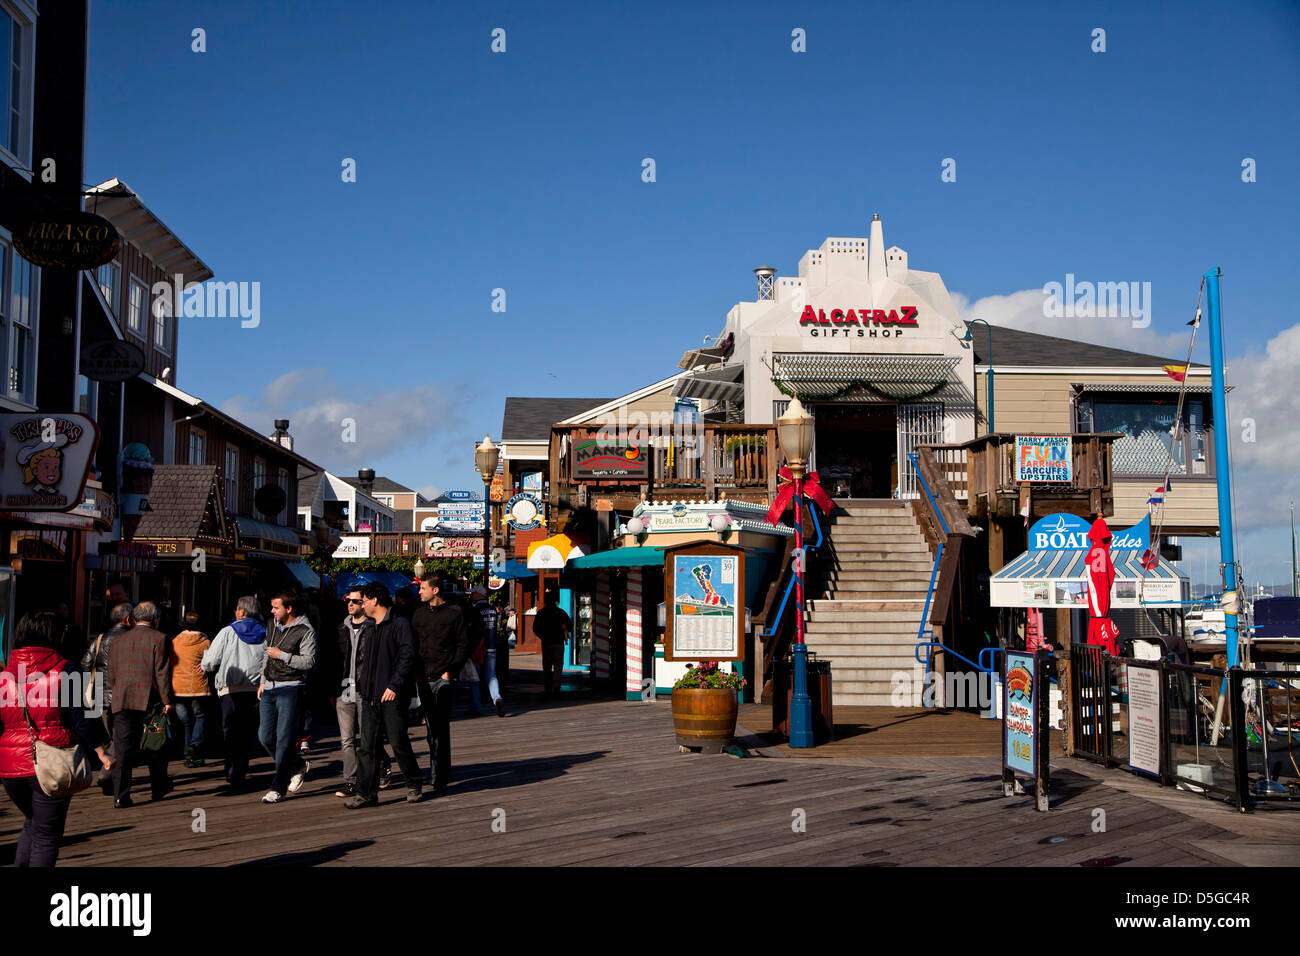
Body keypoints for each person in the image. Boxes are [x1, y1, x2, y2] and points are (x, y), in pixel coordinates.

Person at [0, 611, 113, 866]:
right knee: (47, 836)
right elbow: (82, 717)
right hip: (51, 762)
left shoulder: (5, 673)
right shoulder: (65, 669)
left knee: (33, 824)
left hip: (9, 767)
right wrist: (100, 751)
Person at [344, 583, 423, 808]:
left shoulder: (398, 624)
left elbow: (407, 657)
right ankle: (366, 793)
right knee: (367, 746)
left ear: (375, 601)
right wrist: (361, 687)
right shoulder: (370, 627)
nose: (362, 605)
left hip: (391, 695)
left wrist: (394, 686)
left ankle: (414, 783)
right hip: (370, 694)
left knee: (398, 742)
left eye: (364, 601)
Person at [106, 601, 173, 808]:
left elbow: (112, 674)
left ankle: (120, 795)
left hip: (122, 698)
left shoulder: (118, 641)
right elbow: (161, 674)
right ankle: (158, 788)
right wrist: (167, 701)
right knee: (155, 744)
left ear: (134, 619)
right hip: (149, 698)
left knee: (123, 749)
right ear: (155, 619)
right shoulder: (160, 638)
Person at [410, 573, 469, 794]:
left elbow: (463, 644)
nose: (419, 592)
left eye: (423, 588)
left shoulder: (454, 613)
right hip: (423, 677)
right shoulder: (418, 615)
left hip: (444, 676)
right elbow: (413, 646)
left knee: (440, 727)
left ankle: (440, 774)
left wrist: (451, 671)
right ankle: (437, 769)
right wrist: (415, 673)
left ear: (435, 590)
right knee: (429, 727)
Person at [201, 596, 267, 791]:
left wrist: (204, 665)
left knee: (230, 730)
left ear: (242, 612)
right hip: (256, 689)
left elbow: (211, 661)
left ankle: (231, 769)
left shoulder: (228, 631)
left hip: (230, 689)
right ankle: (241, 768)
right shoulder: (266, 632)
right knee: (247, 731)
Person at [257, 592, 316, 804]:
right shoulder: (272, 624)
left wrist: (282, 655)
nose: (272, 611)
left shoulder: (305, 630)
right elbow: (266, 653)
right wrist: (263, 680)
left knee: (284, 739)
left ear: (289, 609)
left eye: (275, 607)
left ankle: (277, 787)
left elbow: (309, 662)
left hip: (291, 687)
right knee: (264, 737)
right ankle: (297, 764)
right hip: (270, 687)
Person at [334, 586, 392, 798]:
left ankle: (382, 763)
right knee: (346, 738)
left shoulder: (372, 627)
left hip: (365, 688)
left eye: (356, 601)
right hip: (344, 687)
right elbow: (334, 660)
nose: (351, 604)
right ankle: (351, 780)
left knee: (368, 736)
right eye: (348, 600)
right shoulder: (341, 628)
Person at [170, 610, 211, 767]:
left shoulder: (175, 641)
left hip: (178, 686)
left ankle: (189, 755)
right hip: (197, 685)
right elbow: (210, 662)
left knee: (186, 721)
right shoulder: (204, 642)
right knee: (200, 716)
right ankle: (195, 745)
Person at [470, 586, 506, 717]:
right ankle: (497, 698)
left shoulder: (475, 610)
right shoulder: (492, 610)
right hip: (492, 646)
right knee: (491, 675)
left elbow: (473, 630)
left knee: (475, 678)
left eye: (473, 593)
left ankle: (476, 706)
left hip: (479, 648)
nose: (471, 595)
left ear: (479, 594)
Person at [532, 586, 572, 698]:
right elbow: (570, 626)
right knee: (558, 664)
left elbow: (535, 628)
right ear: (555, 602)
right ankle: (556, 684)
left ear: (545, 602)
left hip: (546, 642)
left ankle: (547, 686)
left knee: (547, 665)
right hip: (558, 642)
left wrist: (543, 636)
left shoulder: (541, 613)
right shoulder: (561, 613)